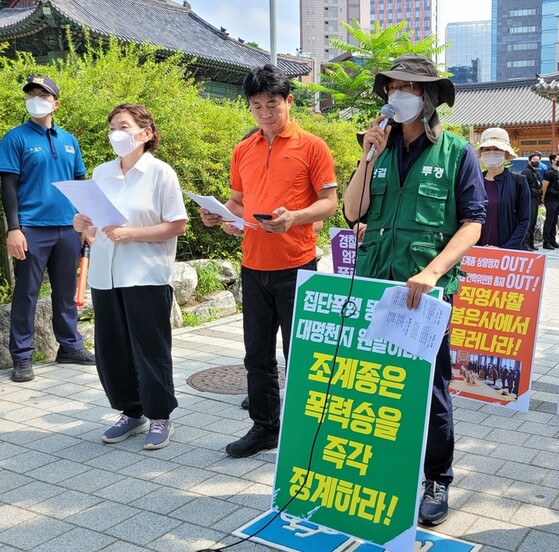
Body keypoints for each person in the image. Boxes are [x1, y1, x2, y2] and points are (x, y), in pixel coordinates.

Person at [343, 53, 487, 527]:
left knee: (431, 387)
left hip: (427, 291)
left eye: (408, 88)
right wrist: (367, 153)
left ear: (428, 98)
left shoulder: (456, 152)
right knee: (376, 378)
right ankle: (386, 468)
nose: (397, 96)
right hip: (376, 284)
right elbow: (351, 212)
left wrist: (433, 271)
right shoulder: (377, 150)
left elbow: (472, 225)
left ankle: (437, 477)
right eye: (391, 88)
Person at [200, 64, 337, 457]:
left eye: (272, 105)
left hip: (297, 264)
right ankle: (264, 428)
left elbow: (329, 204)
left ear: (289, 102)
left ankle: (308, 429)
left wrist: (294, 217)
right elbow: (239, 201)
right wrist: (221, 215)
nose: (265, 114)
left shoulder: (313, 147)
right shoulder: (244, 148)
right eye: (256, 106)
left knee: (301, 353)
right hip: (253, 264)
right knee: (256, 354)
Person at [73, 104, 187, 449]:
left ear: (146, 132)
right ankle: (130, 411)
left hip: (145, 273)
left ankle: (160, 416)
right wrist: (83, 224)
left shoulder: (160, 173)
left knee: (149, 348)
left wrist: (132, 233)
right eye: (112, 128)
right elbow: (93, 219)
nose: (116, 134)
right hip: (106, 275)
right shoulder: (102, 172)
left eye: (123, 126)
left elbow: (177, 224)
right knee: (111, 348)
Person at [0, 76, 95, 383]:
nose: (36, 98)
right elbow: (8, 186)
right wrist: (14, 229)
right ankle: (23, 357)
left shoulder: (70, 140)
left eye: (43, 94)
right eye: (31, 94)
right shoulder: (15, 138)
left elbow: (80, 184)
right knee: (26, 293)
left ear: (56, 103)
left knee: (66, 292)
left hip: (68, 227)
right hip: (31, 229)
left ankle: (69, 346)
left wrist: (86, 223)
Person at [476, 127, 530, 249]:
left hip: (506, 254)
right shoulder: (474, 182)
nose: (492, 153)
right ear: (481, 153)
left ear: (506, 153)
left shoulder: (519, 182)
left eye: (497, 149)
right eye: (487, 149)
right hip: (476, 252)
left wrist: (505, 249)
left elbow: (525, 221)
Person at [541, 152, 559, 249]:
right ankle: (546, 242)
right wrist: (542, 199)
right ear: (552, 161)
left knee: (554, 221)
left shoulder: (558, 172)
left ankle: (552, 240)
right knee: (549, 221)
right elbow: (544, 186)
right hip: (550, 200)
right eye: (557, 159)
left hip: (557, 200)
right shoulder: (549, 172)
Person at [520, 152, 543, 250]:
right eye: (534, 161)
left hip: (535, 200)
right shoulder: (526, 172)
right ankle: (525, 244)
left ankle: (531, 243)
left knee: (533, 223)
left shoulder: (535, 173)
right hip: (529, 200)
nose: (536, 162)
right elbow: (523, 188)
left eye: (538, 161)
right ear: (529, 161)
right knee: (528, 223)